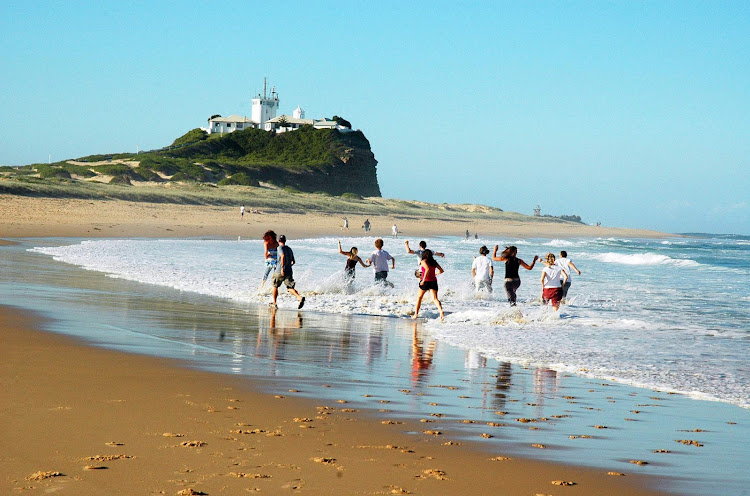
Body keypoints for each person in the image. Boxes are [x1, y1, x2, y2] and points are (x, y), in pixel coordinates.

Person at [271, 235, 305, 309]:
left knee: (275, 286)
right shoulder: (289, 249)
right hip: (289, 271)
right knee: (289, 287)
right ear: (285, 241)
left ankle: (274, 303)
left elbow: (282, 255)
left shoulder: (279, 248)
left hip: (280, 270)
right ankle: (299, 298)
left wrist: (282, 268)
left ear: (279, 241)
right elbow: (293, 261)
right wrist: (288, 266)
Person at [413, 250, 445, 320]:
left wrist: (423, 280)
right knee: (435, 298)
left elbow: (427, 269)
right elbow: (441, 270)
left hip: (426, 281)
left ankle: (415, 314)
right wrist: (435, 274)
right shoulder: (434, 262)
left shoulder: (423, 261)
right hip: (433, 281)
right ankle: (441, 311)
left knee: (419, 297)